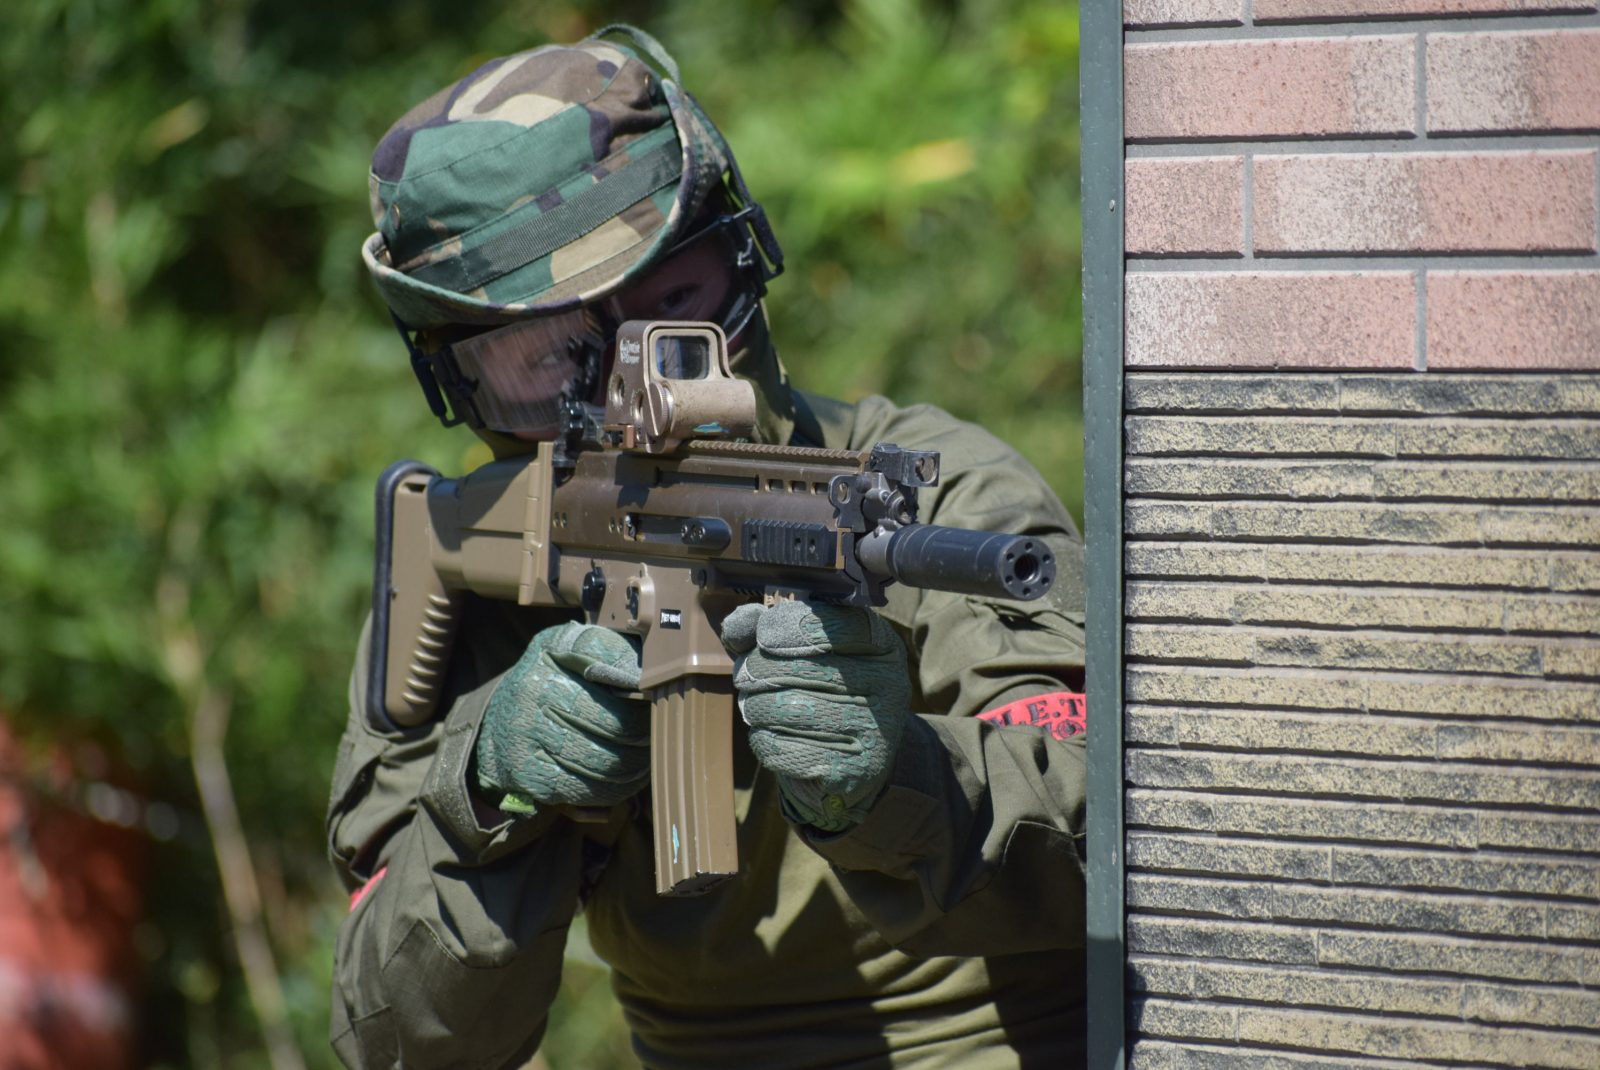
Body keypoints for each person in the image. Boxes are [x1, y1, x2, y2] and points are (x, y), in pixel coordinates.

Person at [327, 26, 1088, 1069]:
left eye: (674, 306)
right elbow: (395, 1039)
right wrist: (489, 792)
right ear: (460, 385)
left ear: (745, 261)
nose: (633, 382)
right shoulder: (483, 569)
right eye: (546, 359)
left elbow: (1135, 851)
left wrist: (903, 779)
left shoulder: (933, 502)